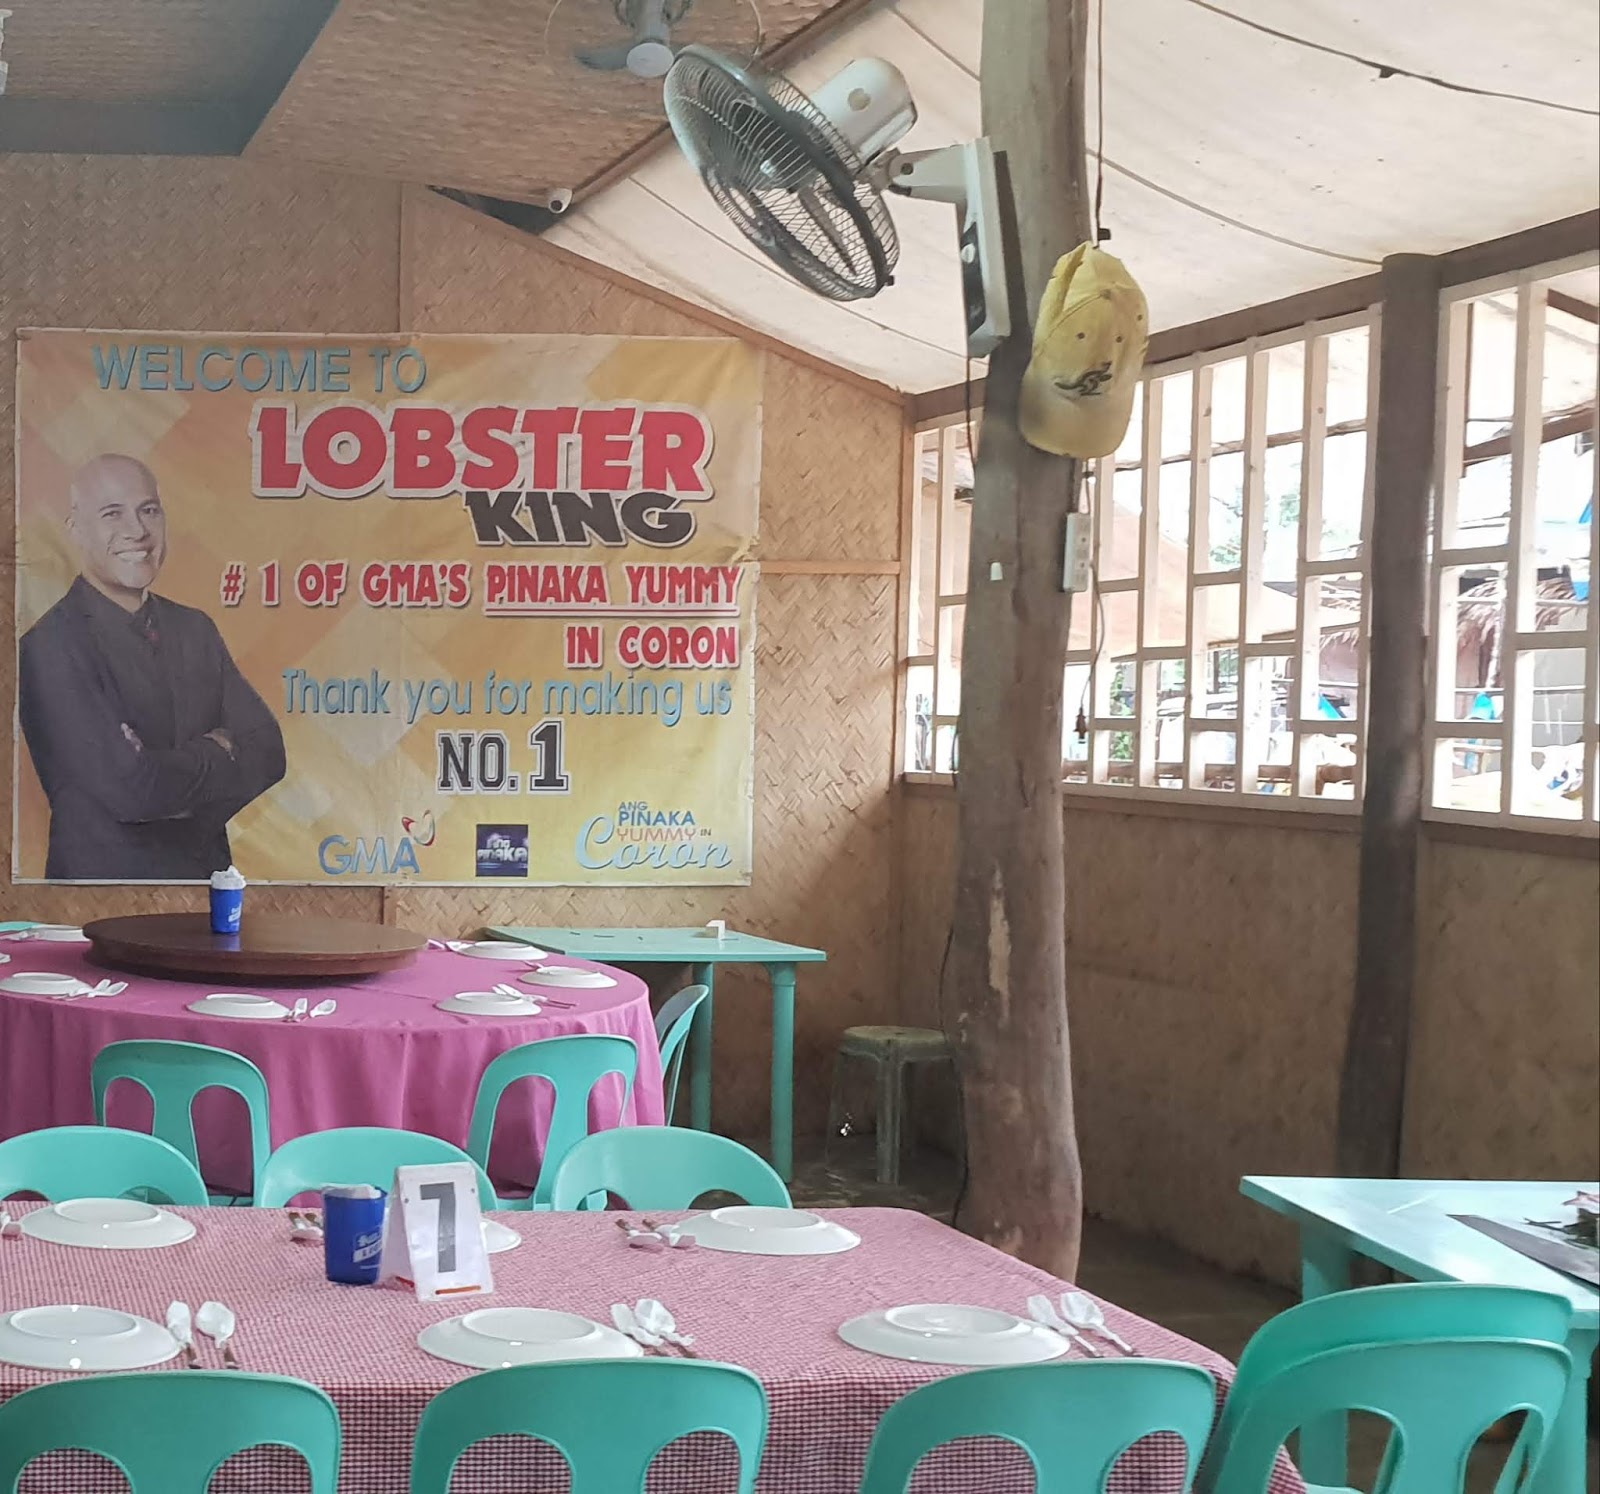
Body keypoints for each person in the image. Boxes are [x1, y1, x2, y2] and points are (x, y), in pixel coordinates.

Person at [18, 454, 285, 880]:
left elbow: (269, 753)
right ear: (75, 529)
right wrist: (218, 750)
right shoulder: (48, 646)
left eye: (149, 510)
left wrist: (162, 771)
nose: (137, 530)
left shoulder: (195, 628)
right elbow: (131, 792)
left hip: (205, 885)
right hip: (94, 891)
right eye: (112, 513)